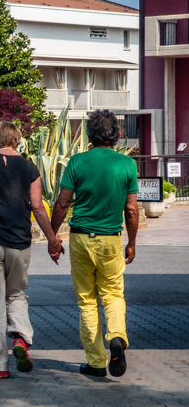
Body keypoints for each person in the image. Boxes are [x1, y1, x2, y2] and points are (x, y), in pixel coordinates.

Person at [0, 121, 61, 379]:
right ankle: (20, 339)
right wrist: (53, 239)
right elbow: (38, 206)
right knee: (16, 295)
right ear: (17, 139)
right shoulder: (29, 167)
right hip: (20, 242)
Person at [50, 109, 138, 379]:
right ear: (117, 135)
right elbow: (132, 210)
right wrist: (132, 243)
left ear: (89, 134)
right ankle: (116, 337)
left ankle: (97, 362)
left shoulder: (77, 162)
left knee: (87, 301)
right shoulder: (127, 165)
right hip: (111, 239)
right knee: (112, 294)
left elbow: (62, 203)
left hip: (80, 239)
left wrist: (53, 237)